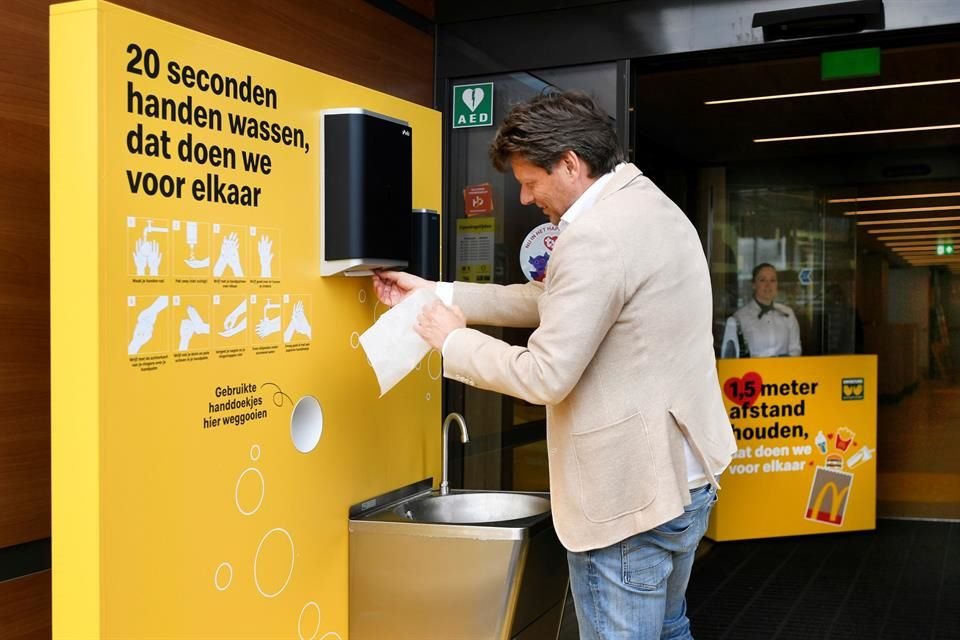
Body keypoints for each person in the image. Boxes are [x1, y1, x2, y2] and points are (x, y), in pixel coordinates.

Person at [372, 90, 736, 640]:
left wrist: (452, 341)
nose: (522, 198)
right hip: (685, 477)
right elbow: (553, 300)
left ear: (570, 163)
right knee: (670, 628)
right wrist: (437, 294)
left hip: (627, 502)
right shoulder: (646, 204)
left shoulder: (594, 236)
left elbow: (545, 374)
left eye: (529, 180)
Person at [725, 263, 801, 358]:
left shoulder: (788, 313)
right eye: (762, 280)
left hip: (784, 371)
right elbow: (735, 355)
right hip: (752, 371)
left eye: (772, 280)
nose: (768, 285)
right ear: (754, 285)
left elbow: (795, 351)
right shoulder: (740, 317)